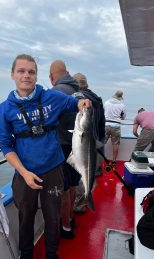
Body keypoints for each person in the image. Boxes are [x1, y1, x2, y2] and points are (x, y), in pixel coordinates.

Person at [0, 54, 92, 259]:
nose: (26, 75)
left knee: (52, 215)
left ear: (37, 75)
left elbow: (73, 103)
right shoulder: (5, 109)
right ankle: (26, 256)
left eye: (31, 71)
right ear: (12, 75)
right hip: (25, 173)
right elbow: (5, 144)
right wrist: (24, 172)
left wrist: (82, 103)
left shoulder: (51, 97)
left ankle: (51, 256)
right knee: (25, 216)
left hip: (53, 169)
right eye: (21, 71)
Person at [49, 60, 82, 239]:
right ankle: (71, 218)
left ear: (51, 77)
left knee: (63, 189)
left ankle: (66, 228)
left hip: (61, 148)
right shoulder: (78, 91)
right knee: (72, 186)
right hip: (77, 148)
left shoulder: (55, 93)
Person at [73, 72, 105, 213]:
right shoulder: (96, 99)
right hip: (96, 140)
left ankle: (80, 204)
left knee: (82, 173)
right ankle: (86, 196)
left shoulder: (83, 101)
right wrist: (101, 139)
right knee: (90, 171)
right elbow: (102, 121)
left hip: (87, 142)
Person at [104, 90, 126, 165]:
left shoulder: (106, 103)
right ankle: (114, 161)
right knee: (115, 144)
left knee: (102, 142)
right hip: (116, 126)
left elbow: (103, 113)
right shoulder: (122, 105)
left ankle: (99, 159)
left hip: (106, 124)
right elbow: (123, 117)